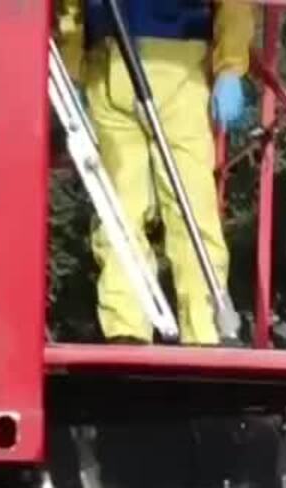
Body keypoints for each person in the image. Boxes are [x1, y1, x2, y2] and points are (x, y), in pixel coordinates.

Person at [56, 0, 254, 345]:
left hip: (177, 70)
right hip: (113, 66)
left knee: (188, 205)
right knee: (118, 208)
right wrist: (72, 72)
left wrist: (230, 67)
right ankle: (126, 327)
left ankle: (205, 326)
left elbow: (234, 6)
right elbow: (71, 11)